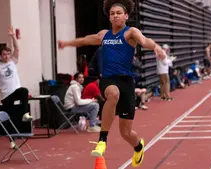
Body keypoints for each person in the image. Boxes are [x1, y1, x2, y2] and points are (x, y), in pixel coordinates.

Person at [58, 0, 165, 167]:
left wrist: (156, 47)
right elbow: (86, 40)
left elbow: (145, 41)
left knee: (126, 132)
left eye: (118, 13)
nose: (115, 16)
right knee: (113, 94)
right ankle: (102, 140)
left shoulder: (130, 33)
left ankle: (138, 147)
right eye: (112, 13)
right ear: (109, 17)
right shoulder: (104, 35)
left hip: (127, 82)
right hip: (108, 80)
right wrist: (67, 43)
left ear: (126, 16)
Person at [0, 26, 33, 149]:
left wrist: (12, 36)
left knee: (23, 90)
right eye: (4, 54)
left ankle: (25, 113)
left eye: (8, 54)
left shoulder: (13, 61)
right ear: (0, 55)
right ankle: (12, 141)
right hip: (6, 95)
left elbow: (17, 49)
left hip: (16, 91)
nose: (7, 56)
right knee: (11, 118)